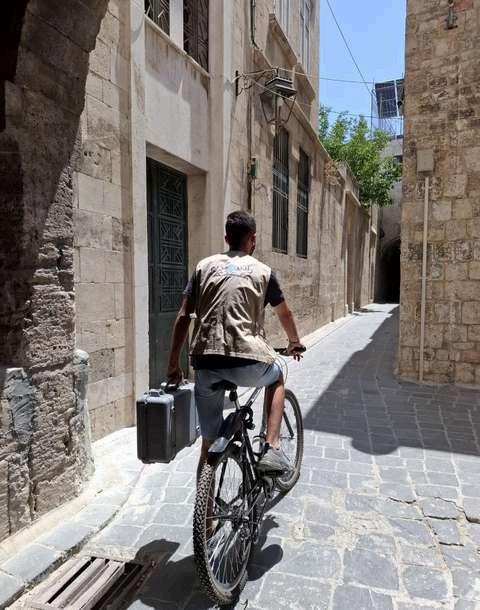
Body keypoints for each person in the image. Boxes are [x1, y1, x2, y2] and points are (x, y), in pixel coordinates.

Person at [166, 210, 305, 477]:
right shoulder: (264, 272)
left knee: (208, 447)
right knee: (277, 376)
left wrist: (173, 365)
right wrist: (294, 342)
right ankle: (272, 446)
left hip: (205, 361)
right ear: (252, 239)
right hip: (248, 359)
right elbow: (284, 313)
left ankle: (205, 505)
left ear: (226, 237)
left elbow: (183, 316)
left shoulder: (203, 267)